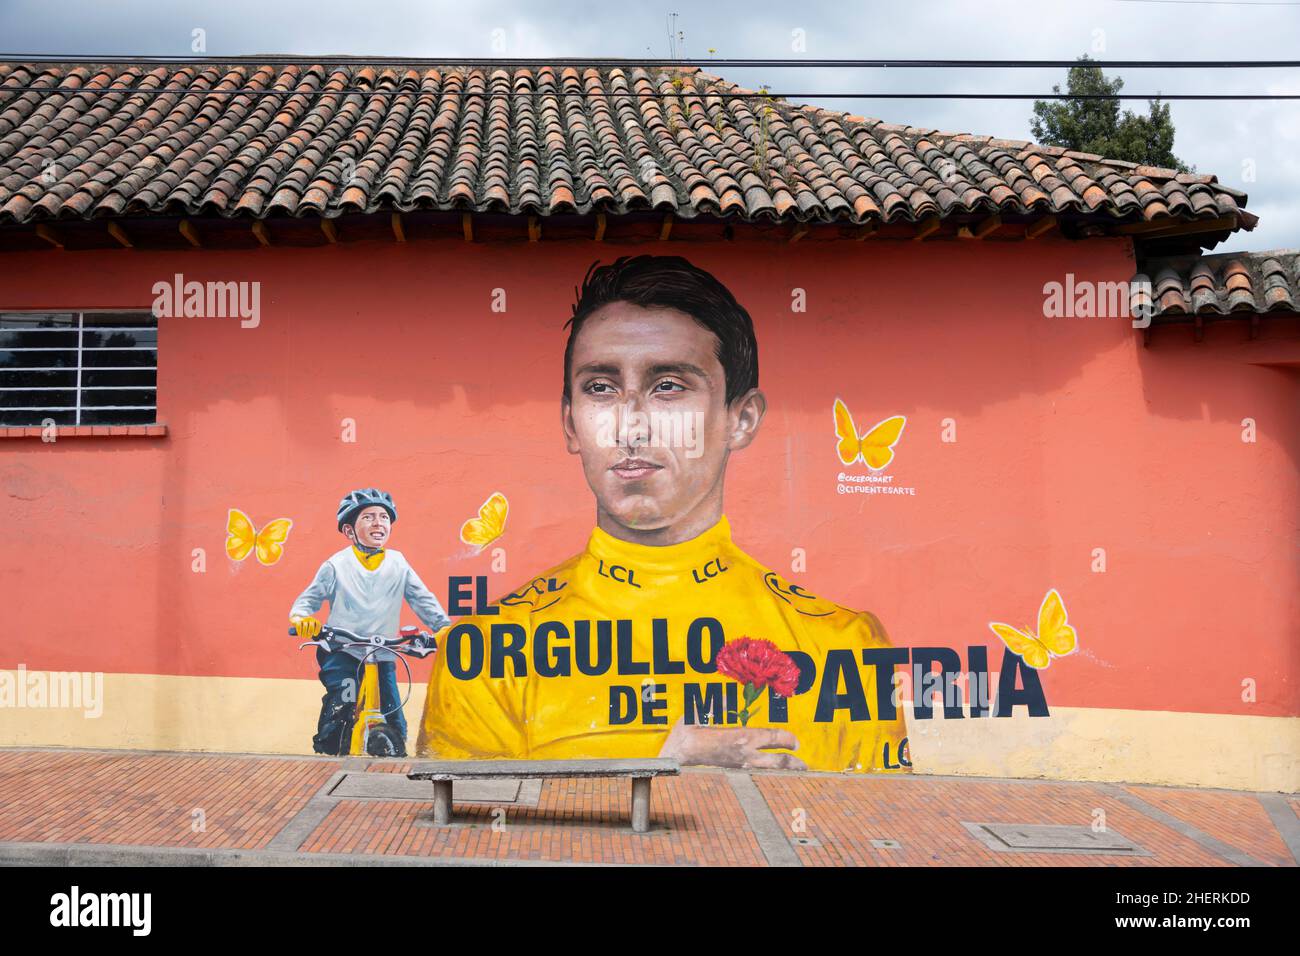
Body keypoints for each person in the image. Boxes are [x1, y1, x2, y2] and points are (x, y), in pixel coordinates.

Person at [416, 256, 909, 773]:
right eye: (600, 388)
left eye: (669, 385)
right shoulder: (486, 653)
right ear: (570, 425)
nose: (631, 427)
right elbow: (467, 836)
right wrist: (659, 770)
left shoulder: (844, 645)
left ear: (741, 420)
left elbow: (873, 839)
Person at [291, 488, 450, 756]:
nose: (379, 523)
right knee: (343, 705)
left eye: (384, 517)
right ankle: (329, 755)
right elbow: (307, 601)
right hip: (342, 650)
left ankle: (393, 758)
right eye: (368, 517)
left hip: (383, 652)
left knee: (394, 716)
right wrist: (302, 619)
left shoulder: (398, 562)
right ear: (349, 531)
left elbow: (422, 598)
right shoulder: (336, 565)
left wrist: (442, 627)